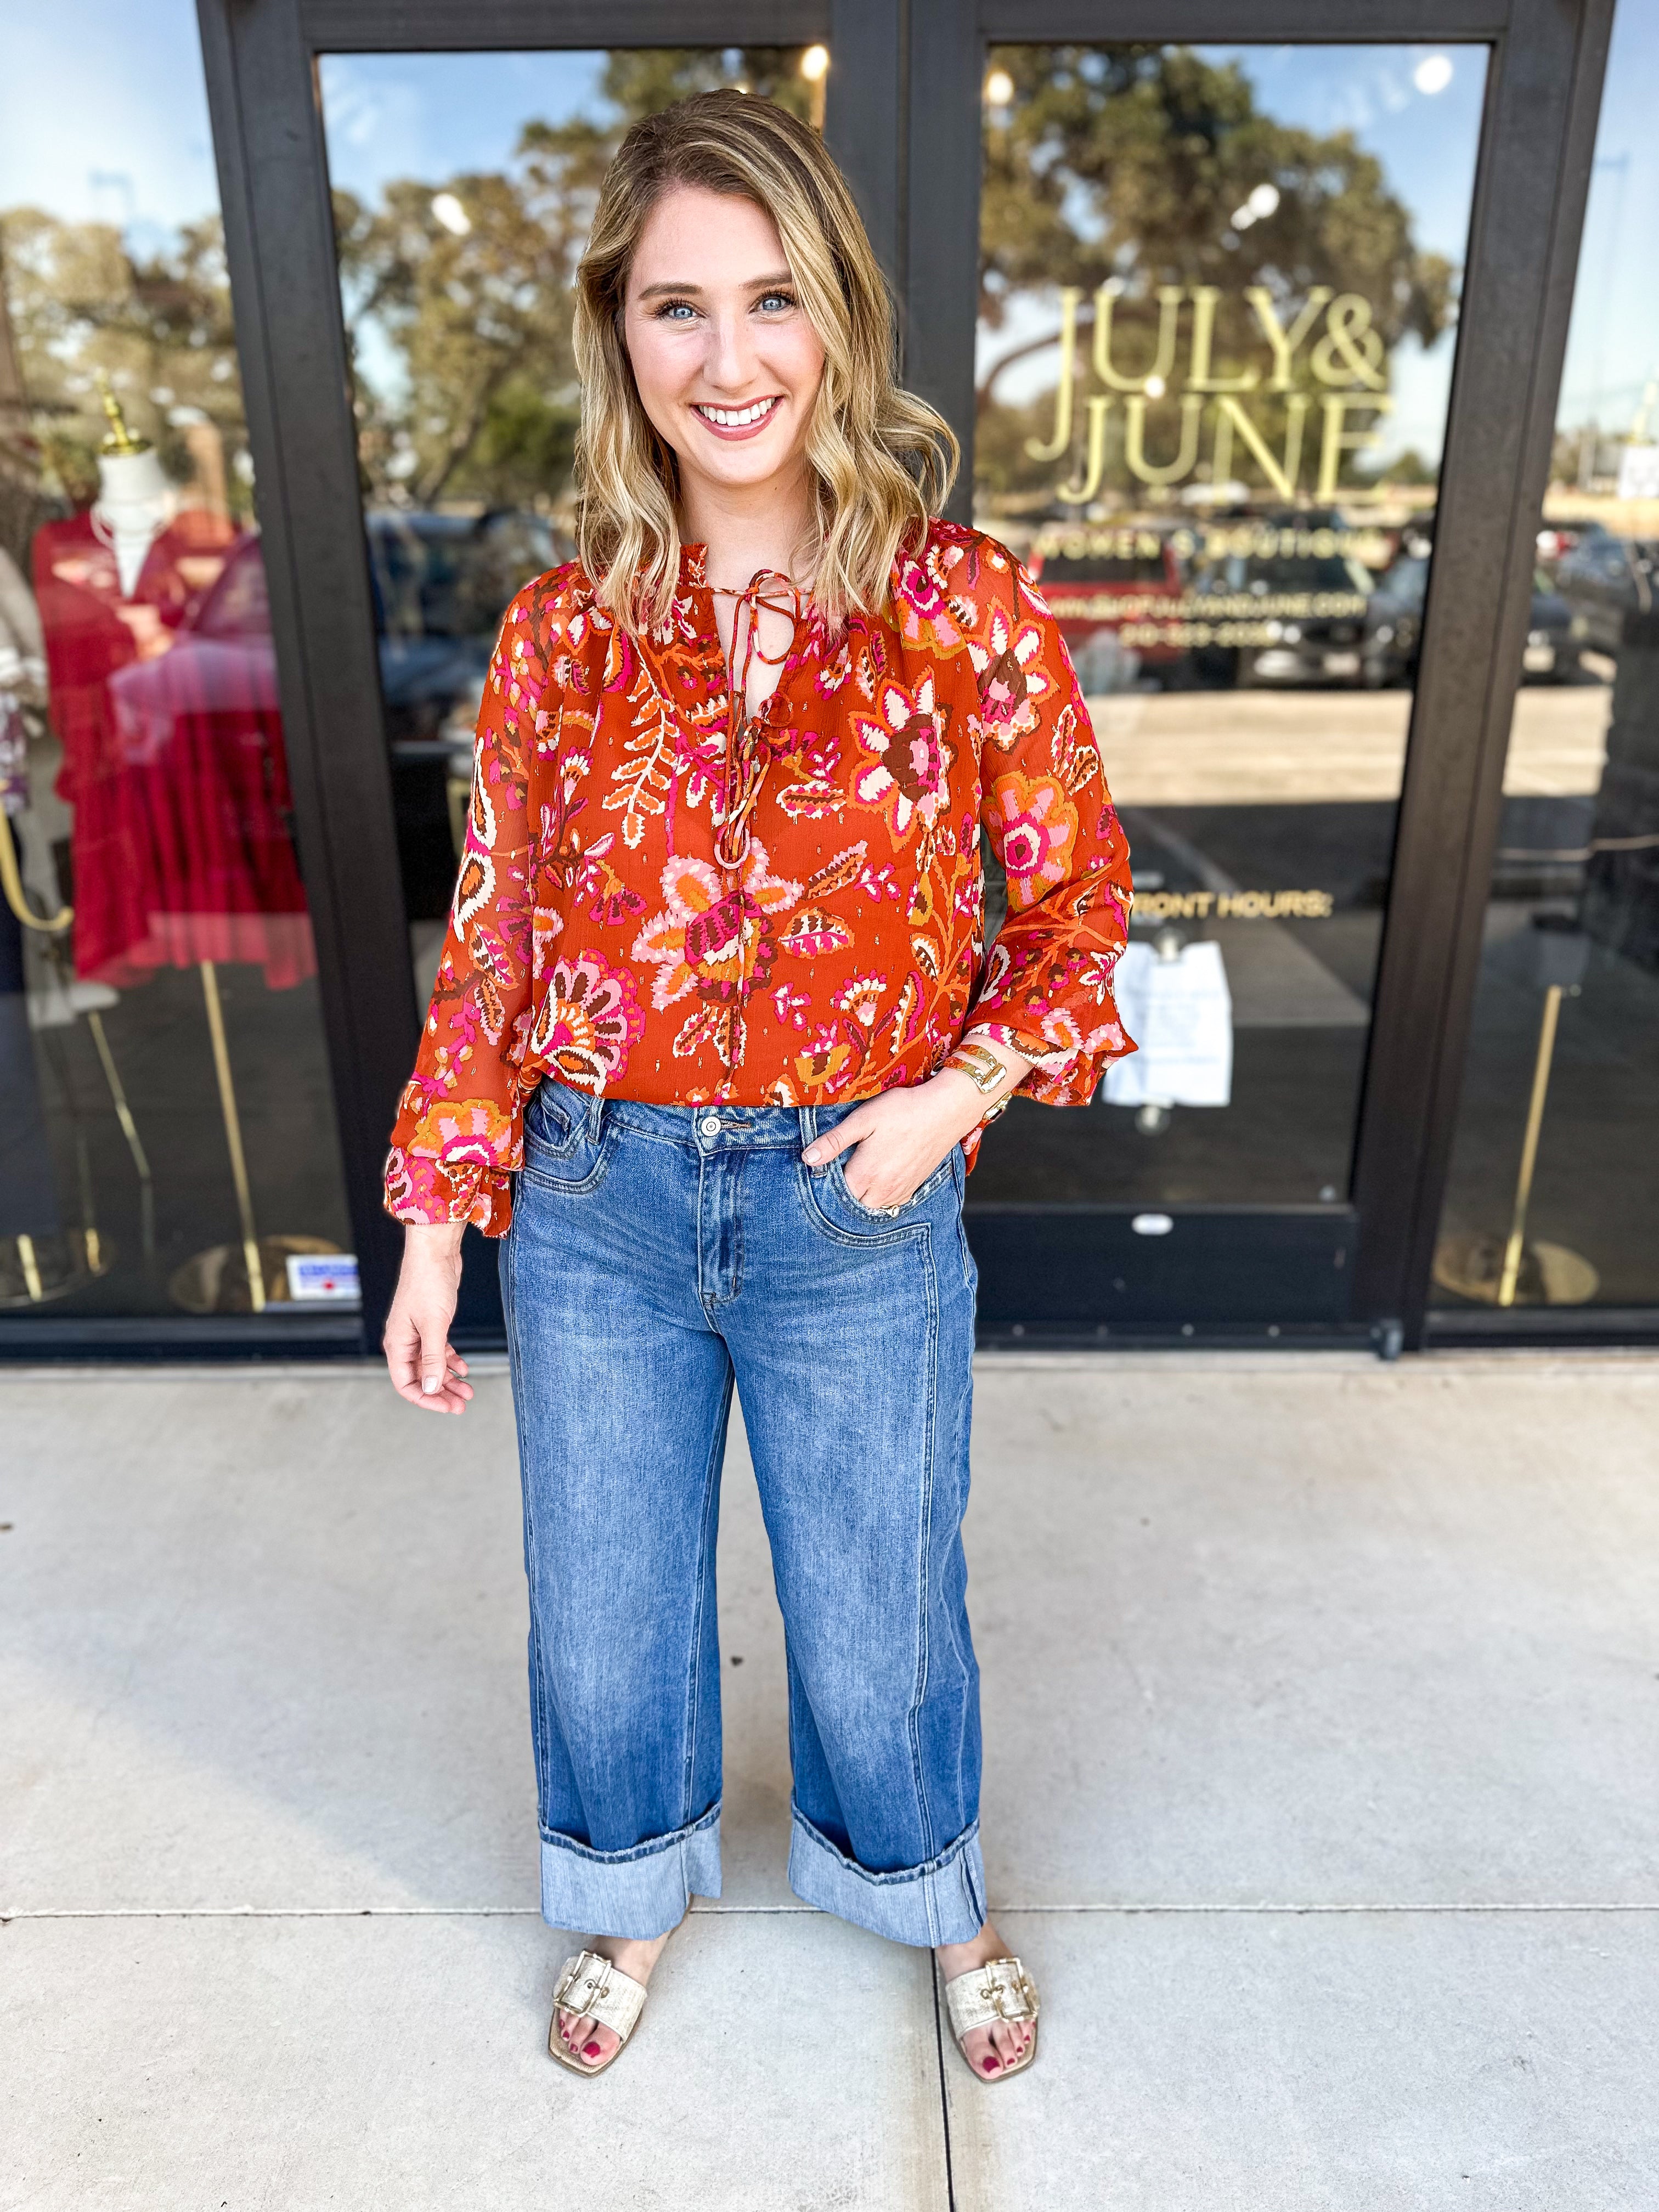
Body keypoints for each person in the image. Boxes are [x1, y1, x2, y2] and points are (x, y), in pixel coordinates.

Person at [381, 88, 1133, 2085]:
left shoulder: (958, 607)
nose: (733, 361)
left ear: (841, 318)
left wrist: (951, 1097)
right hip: (602, 1199)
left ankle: (935, 1892)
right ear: (619, 337)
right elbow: (501, 937)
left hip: (851, 1198)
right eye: (679, 309)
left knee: (882, 1615)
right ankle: (626, 1888)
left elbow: (1078, 911)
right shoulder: (558, 636)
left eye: (774, 300)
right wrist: (444, 1216)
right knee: (609, 1612)